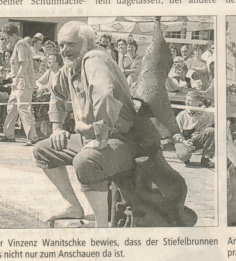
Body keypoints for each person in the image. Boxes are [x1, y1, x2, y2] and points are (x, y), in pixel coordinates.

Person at [33, 21, 161, 227]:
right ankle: (73, 206)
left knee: (86, 161)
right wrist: (57, 128)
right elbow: (55, 91)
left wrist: (101, 136)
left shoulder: (94, 58)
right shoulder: (70, 66)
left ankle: (102, 228)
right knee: (42, 150)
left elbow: (104, 94)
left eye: (71, 44)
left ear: (88, 43)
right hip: (92, 139)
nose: (65, 50)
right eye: (61, 45)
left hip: (122, 140)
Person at [1, 23, 39, 145]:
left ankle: (33, 137)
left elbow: (24, 64)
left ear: (13, 35)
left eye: (7, 37)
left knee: (23, 108)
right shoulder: (18, 44)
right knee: (12, 107)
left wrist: (16, 79)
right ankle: (9, 133)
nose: (7, 40)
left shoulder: (21, 44)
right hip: (17, 83)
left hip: (23, 82)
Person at [174, 91, 215, 169]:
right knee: (183, 156)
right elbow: (176, 132)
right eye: (186, 99)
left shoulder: (204, 115)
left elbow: (201, 130)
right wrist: (184, 142)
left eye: (190, 100)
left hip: (194, 140)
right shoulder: (181, 115)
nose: (187, 102)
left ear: (197, 102)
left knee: (211, 131)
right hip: (183, 141)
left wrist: (192, 140)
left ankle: (205, 159)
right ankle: (186, 156)